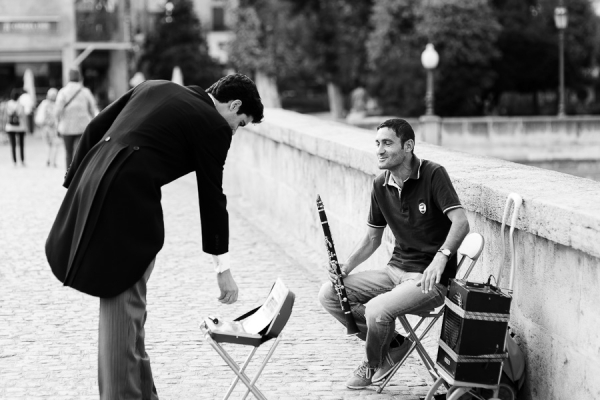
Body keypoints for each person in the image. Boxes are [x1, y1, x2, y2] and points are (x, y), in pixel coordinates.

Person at [45, 74, 264, 399]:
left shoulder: (156, 86)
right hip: (124, 201)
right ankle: (124, 394)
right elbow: (212, 197)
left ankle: (143, 392)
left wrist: (75, 185)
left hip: (94, 177)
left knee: (130, 305)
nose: (235, 130)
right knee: (125, 302)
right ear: (234, 105)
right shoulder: (214, 126)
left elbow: (93, 128)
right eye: (241, 123)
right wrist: (223, 269)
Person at [318, 118, 470, 389]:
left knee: (377, 309)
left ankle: (373, 362)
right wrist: (346, 267)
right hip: (393, 271)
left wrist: (441, 256)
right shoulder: (380, 184)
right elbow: (372, 238)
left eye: (387, 143)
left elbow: (461, 222)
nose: (380, 150)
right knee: (329, 293)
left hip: (428, 280)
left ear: (408, 146)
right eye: (377, 143)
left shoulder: (434, 174)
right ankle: (396, 343)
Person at [54, 69, 98, 170]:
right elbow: (93, 108)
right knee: (81, 152)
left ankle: (68, 176)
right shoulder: (85, 92)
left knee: (68, 152)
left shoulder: (63, 92)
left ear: (68, 78)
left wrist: (57, 124)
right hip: (83, 127)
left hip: (66, 127)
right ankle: (80, 175)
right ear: (79, 78)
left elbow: (57, 111)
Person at [35, 88, 59, 167]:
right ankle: (53, 161)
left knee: (47, 144)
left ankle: (48, 159)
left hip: (44, 126)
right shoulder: (57, 104)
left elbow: (39, 115)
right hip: (53, 127)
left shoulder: (44, 103)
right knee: (54, 144)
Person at [4, 89, 27, 167]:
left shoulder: (7, 104)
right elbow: (23, 115)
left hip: (10, 126)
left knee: (13, 145)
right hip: (20, 126)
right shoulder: (20, 104)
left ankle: (14, 161)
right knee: (21, 145)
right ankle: (22, 160)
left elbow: (5, 116)